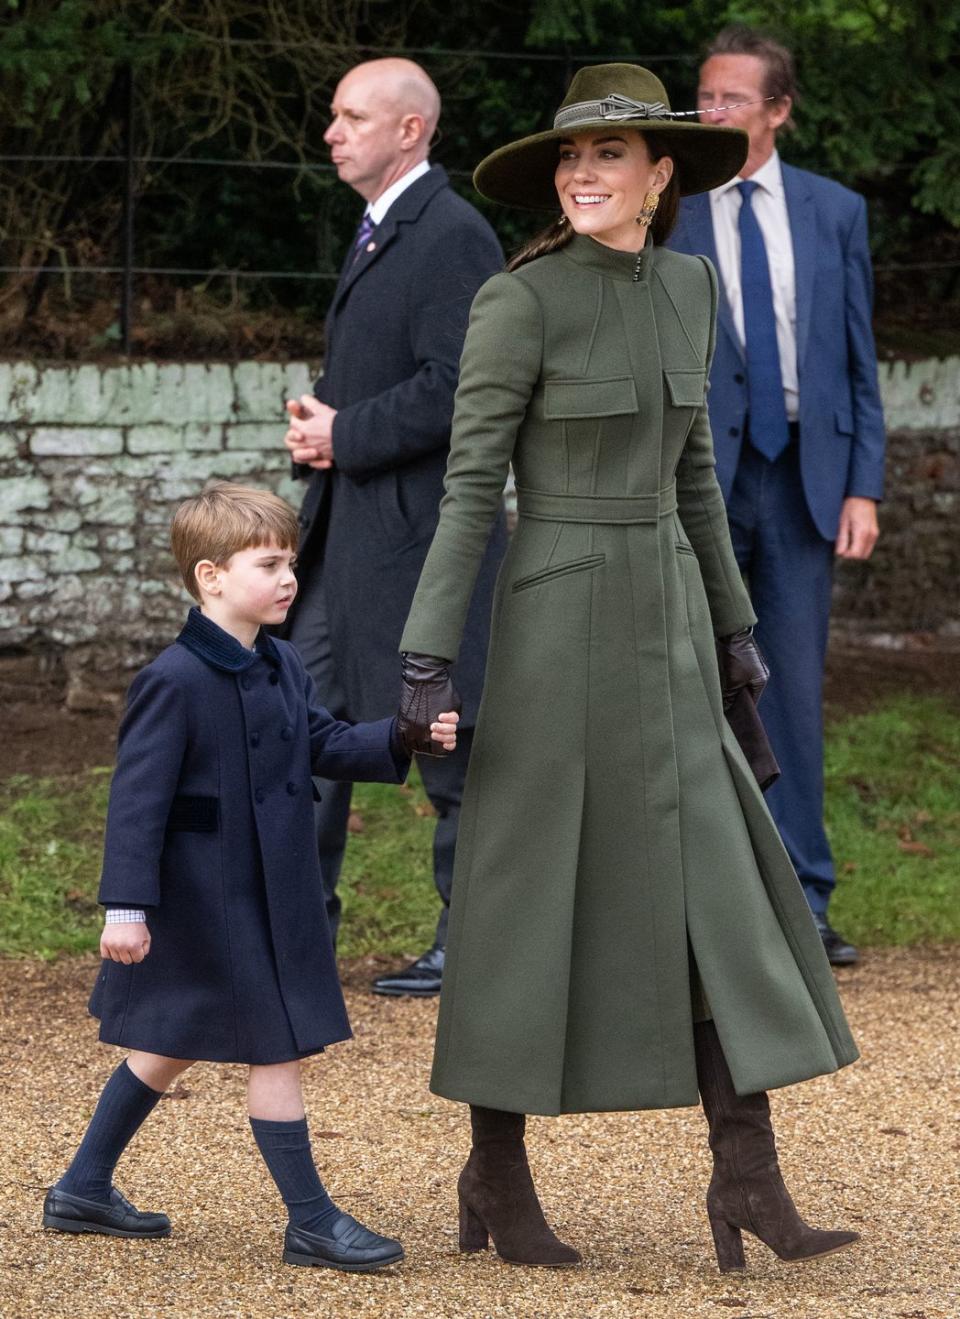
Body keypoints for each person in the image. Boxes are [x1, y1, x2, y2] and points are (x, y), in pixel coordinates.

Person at [397, 63, 861, 1273]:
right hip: (554, 624)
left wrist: (737, 627)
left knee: (718, 886)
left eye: (611, 157)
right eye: (570, 159)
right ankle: (495, 1169)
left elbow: (696, 474)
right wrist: (428, 655)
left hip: (668, 620)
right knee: (524, 892)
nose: (585, 174)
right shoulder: (522, 300)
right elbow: (467, 491)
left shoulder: (691, 288)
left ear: (662, 176)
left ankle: (747, 1174)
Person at [41, 482, 458, 1274]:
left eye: (292, 561)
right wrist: (124, 907)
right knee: (276, 1044)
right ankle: (311, 1220)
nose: (289, 577)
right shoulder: (174, 678)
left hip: (271, 893)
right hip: (205, 900)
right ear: (211, 577)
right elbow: (136, 803)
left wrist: (400, 734)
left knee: (168, 1044)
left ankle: (82, 1185)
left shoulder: (283, 662)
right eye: (269, 563)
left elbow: (323, 741)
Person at [282, 57, 505, 997]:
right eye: (333, 115)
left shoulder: (452, 233)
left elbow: (465, 387)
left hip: (422, 541)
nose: (331, 132)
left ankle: (477, 941)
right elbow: (391, 370)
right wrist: (322, 424)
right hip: (346, 534)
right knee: (303, 728)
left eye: (350, 116)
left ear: (410, 130)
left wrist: (348, 432)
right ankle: (296, 938)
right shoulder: (378, 228)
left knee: (447, 735)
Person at [669, 27, 886, 966]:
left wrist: (864, 487)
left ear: (778, 110)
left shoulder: (834, 211)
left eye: (730, 100)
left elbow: (856, 358)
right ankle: (706, 901)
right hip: (696, 480)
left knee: (790, 690)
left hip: (805, 479)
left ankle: (805, 896)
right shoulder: (667, 206)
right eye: (703, 98)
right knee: (693, 684)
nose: (710, 112)